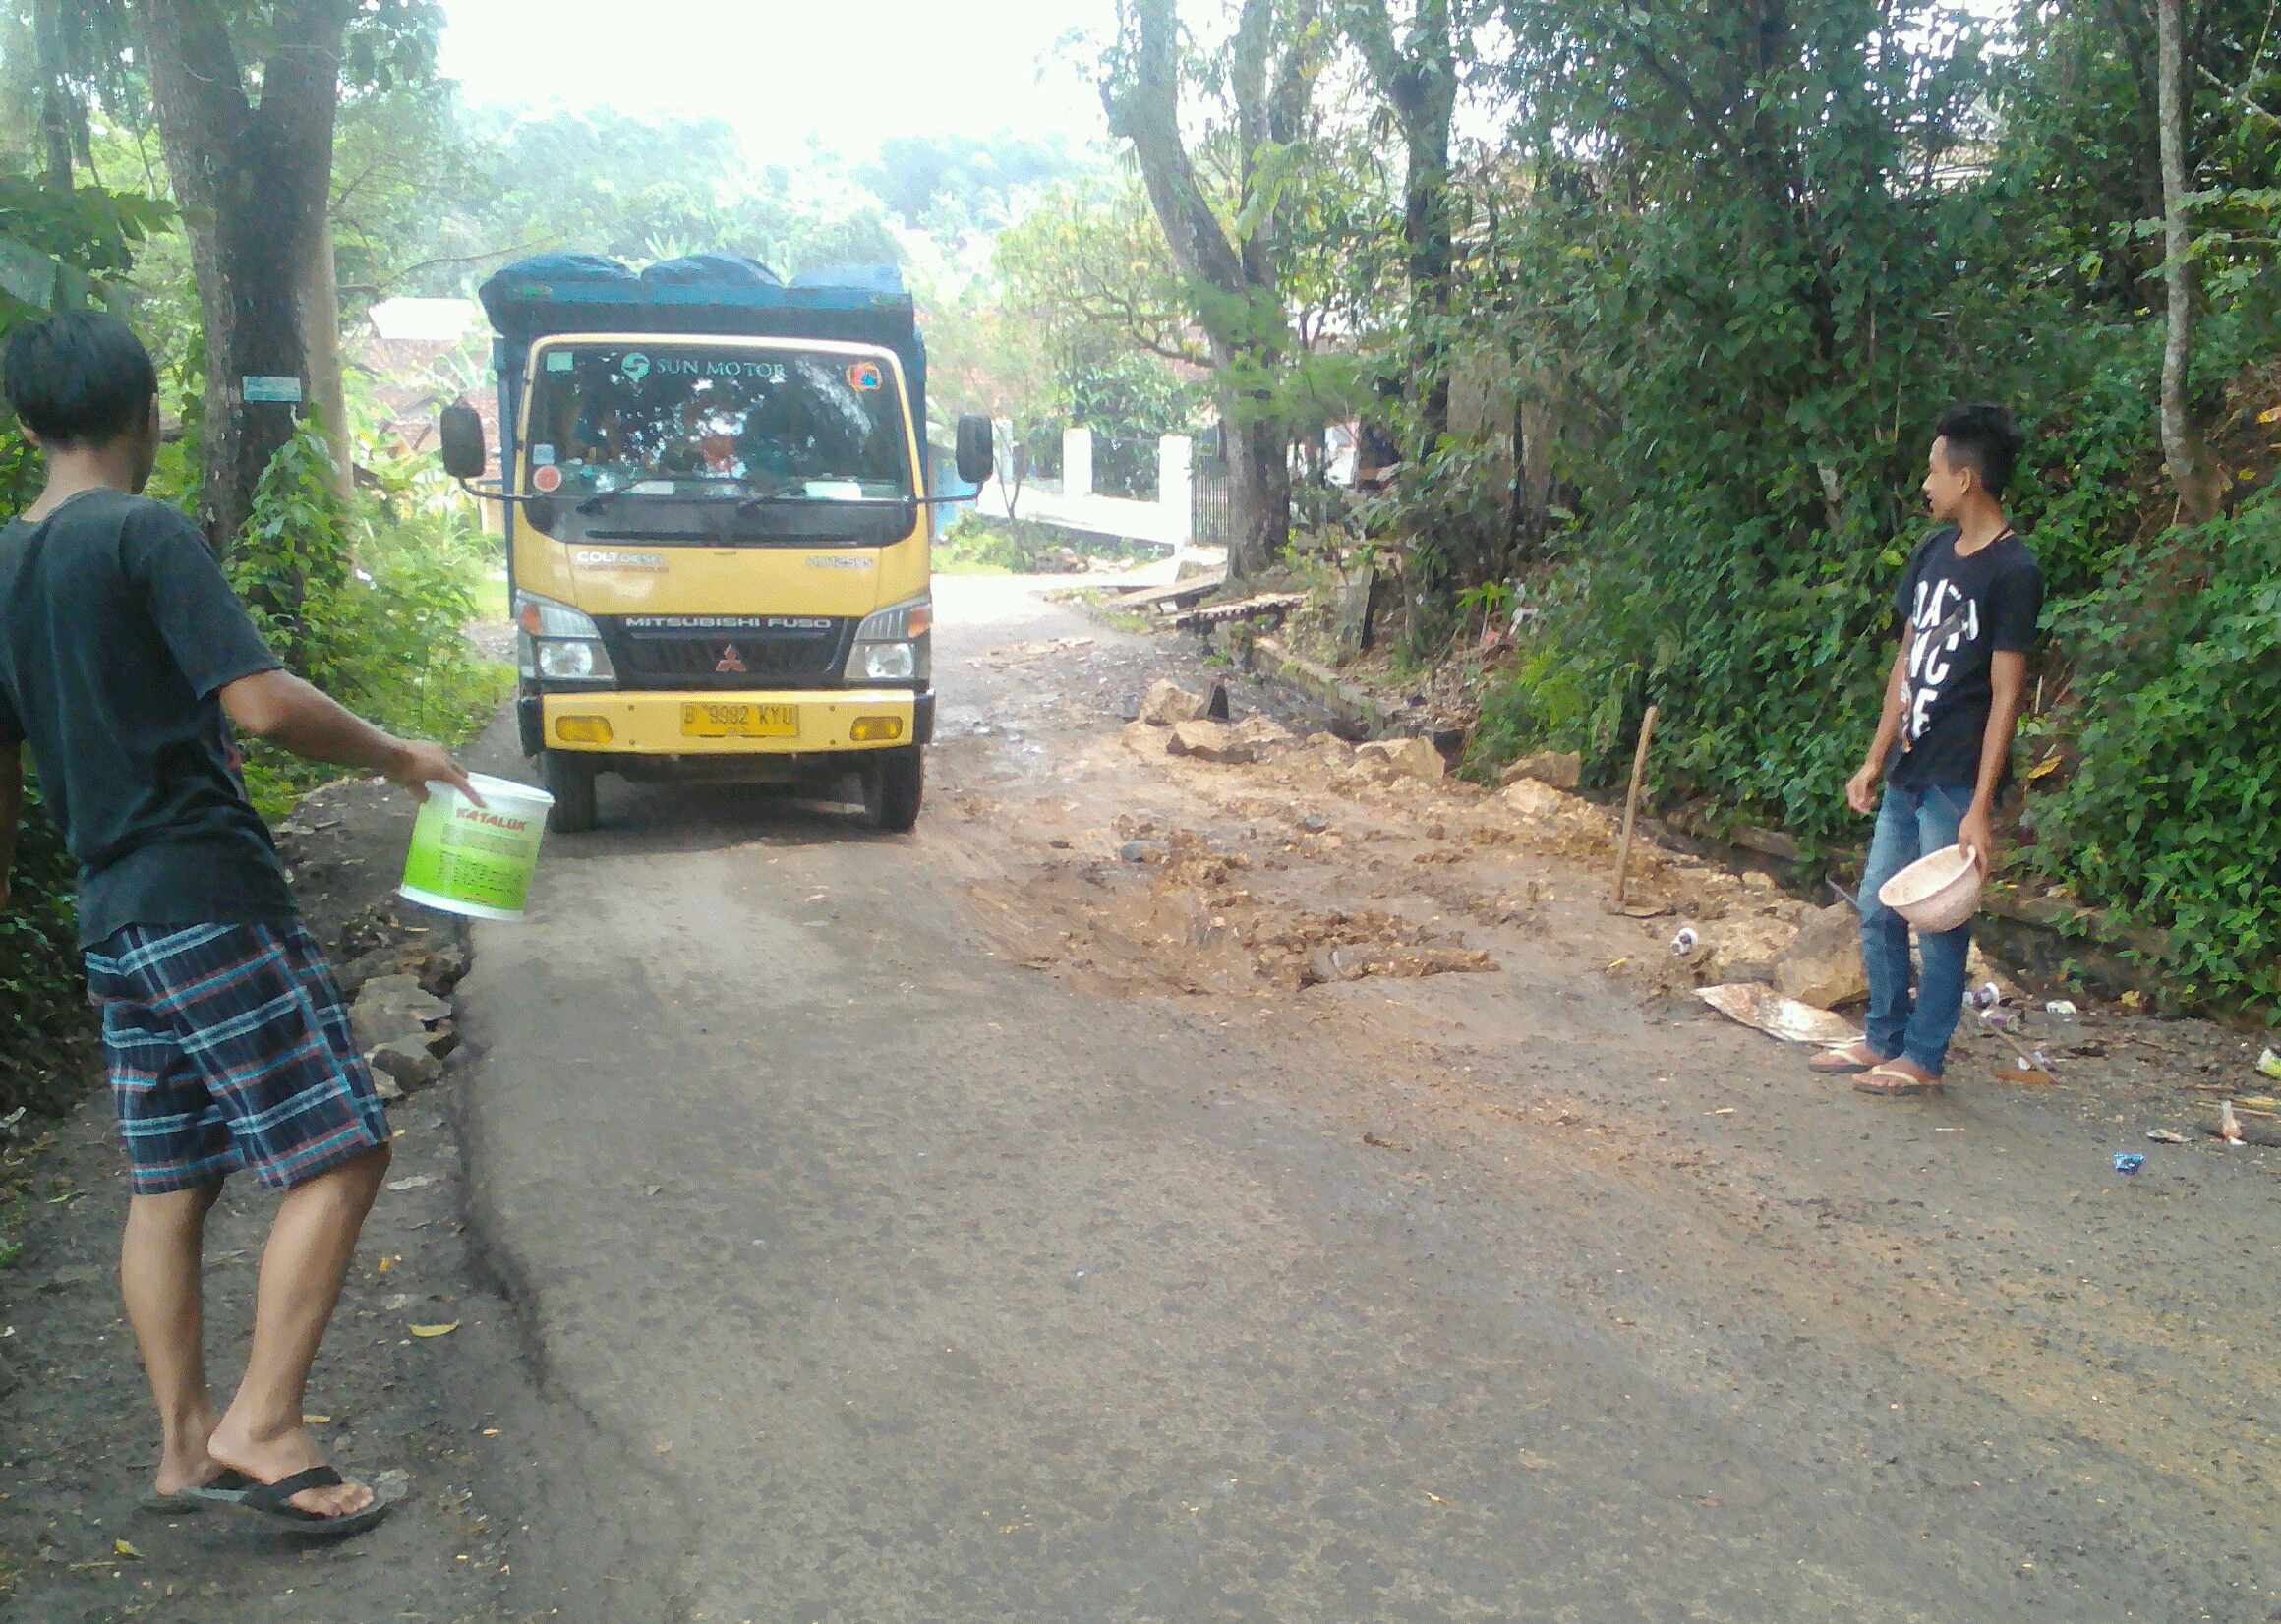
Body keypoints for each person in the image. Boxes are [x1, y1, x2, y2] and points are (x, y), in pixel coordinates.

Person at [0, 311, 478, 1536]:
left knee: (170, 1181)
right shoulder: (144, 531)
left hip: (108, 915)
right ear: (146, 413)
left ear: (27, 422)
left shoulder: (5, 565)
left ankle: (181, 1449)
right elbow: (260, 704)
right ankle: (262, 1421)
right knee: (344, 1145)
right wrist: (394, 755)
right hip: (203, 891)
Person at [1812, 403, 2042, 1097]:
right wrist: (1875, 756)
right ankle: (1883, 1038)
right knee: (1879, 906)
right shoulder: (1933, 553)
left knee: (1942, 923)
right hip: (1910, 764)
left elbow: (2005, 693)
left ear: (1966, 478)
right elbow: (1906, 663)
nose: (1924, 483)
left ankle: (1924, 1057)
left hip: (1955, 778)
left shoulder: (2014, 572)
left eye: (1934, 470)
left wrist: (1982, 805)